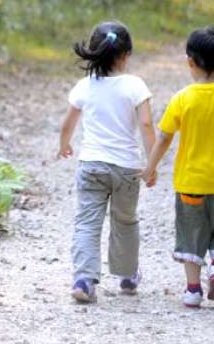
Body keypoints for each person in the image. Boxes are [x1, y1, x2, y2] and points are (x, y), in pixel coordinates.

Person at [57, 21, 156, 303]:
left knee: (87, 222)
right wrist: (151, 164)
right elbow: (146, 125)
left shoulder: (84, 86)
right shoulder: (135, 85)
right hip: (126, 168)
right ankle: (127, 275)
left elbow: (68, 123)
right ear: (126, 55)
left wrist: (64, 145)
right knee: (125, 221)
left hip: (91, 166)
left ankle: (84, 280)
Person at [143, 26, 214, 308]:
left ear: (190, 62)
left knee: (191, 235)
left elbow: (164, 137)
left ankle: (193, 291)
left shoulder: (182, 98)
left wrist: (151, 167)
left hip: (190, 184)